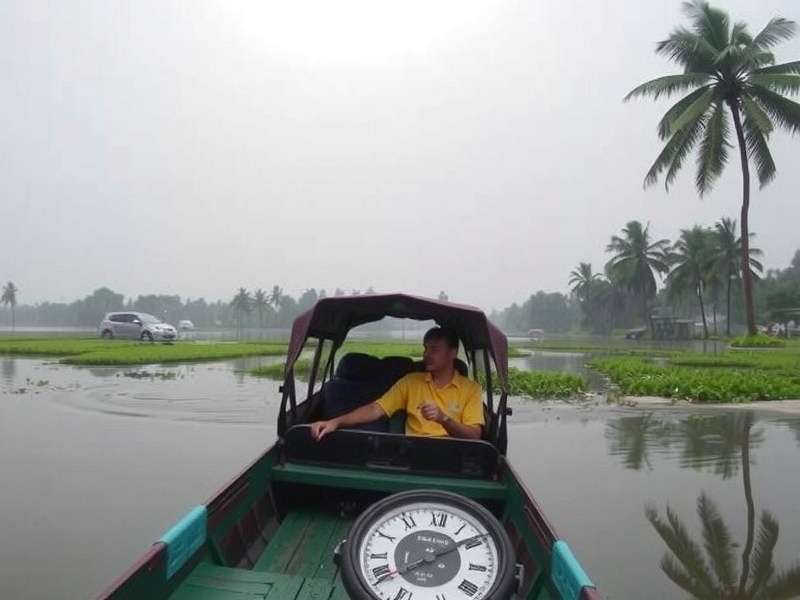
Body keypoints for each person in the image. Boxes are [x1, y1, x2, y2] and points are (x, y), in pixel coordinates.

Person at [309, 327, 484, 441]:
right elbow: (375, 409)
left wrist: (444, 419)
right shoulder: (411, 381)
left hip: (454, 458)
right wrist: (335, 422)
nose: (426, 355)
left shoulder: (471, 389)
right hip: (413, 456)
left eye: (435, 350)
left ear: (452, 353)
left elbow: (474, 436)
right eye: (425, 349)